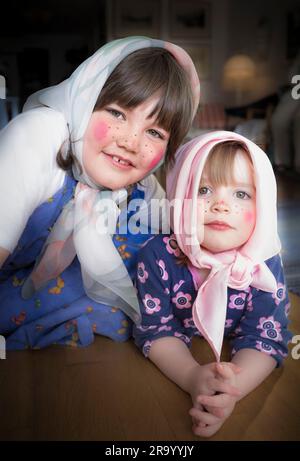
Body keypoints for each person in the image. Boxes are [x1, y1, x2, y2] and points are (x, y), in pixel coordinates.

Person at [0, 36, 200, 350]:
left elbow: (191, 251)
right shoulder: (38, 135)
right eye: (118, 113)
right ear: (84, 98)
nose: (131, 142)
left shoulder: (142, 185)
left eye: (154, 132)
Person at [133, 130, 292, 437]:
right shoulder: (157, 257)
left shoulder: (264, 262)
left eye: (241, 194)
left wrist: (228, 393)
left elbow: (265, 336)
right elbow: (156, 330)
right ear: (179, 197)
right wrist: (192, 376)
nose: (221, 204)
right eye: (204, 190)